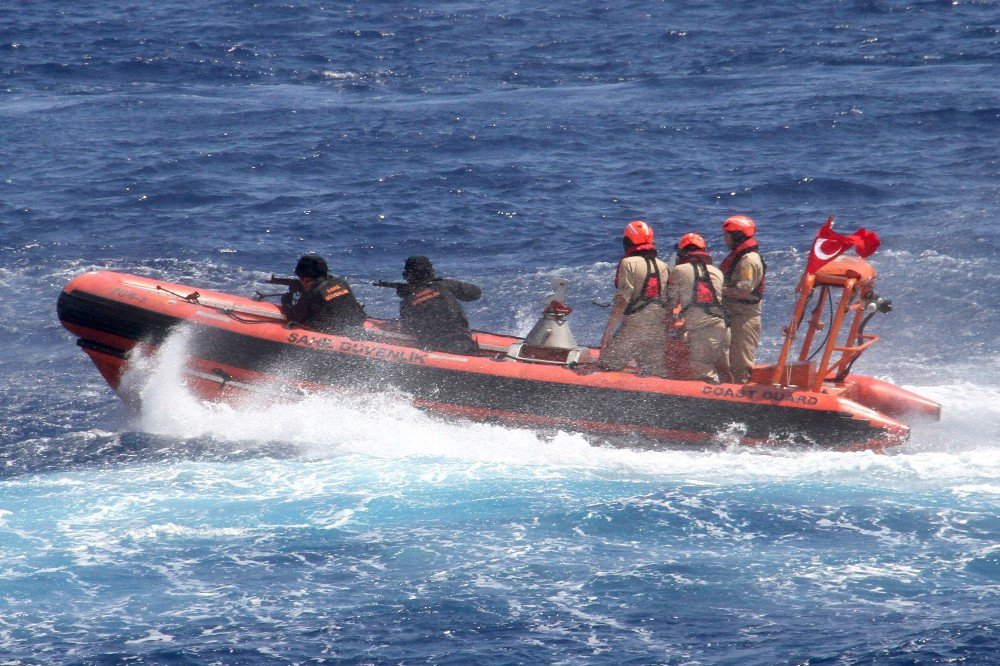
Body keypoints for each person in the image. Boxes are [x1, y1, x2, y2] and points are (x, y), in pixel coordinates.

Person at [599, 220, 670, 376]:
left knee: (608, 365)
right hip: (657, 330)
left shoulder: (628, 263)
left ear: (628, 241)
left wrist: (607, 332)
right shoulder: (663, 266)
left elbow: (622, 301)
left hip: (634, 328)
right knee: (654, 373)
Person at [666, 233, 729, 383]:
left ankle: (714, 403)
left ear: (682, 252)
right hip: (724, 329)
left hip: (704, 330)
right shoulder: (717, 272)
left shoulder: (679, 270)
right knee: (724, 372)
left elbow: (672, 303)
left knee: (702, 367)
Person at [397, 256, 481, 354]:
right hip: (464, 343)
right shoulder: (446, 285)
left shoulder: (408, 300)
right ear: (431, 271)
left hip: (435, 348)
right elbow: (476, 293)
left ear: (407, 275)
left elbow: (408, 327)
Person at [719, 214, 766, 383]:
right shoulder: (740, 256)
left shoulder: (748, 260)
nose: (725, 240)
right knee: (726, 358)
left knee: (740, 362)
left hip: (744, 318)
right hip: (732, 315)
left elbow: (743, 289)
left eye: (727, 236)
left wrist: (716, 289)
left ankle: (741, 393)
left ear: (737, 236)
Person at [279, 254, 366, 334]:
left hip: (335, 332)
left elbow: (294, 317)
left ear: (305, 279)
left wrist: (286, 302)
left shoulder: (312, 293)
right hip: (356, 325)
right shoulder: (342, 283)